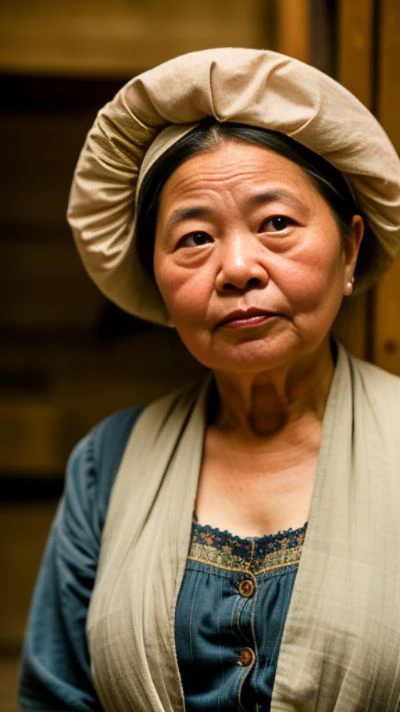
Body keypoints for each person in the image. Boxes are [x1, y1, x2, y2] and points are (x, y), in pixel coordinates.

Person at [19, 48, 400, 711]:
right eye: (194, 238)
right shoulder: (105, 467)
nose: (237, 268)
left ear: (350, 247)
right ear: (160, 286)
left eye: (276, 223)